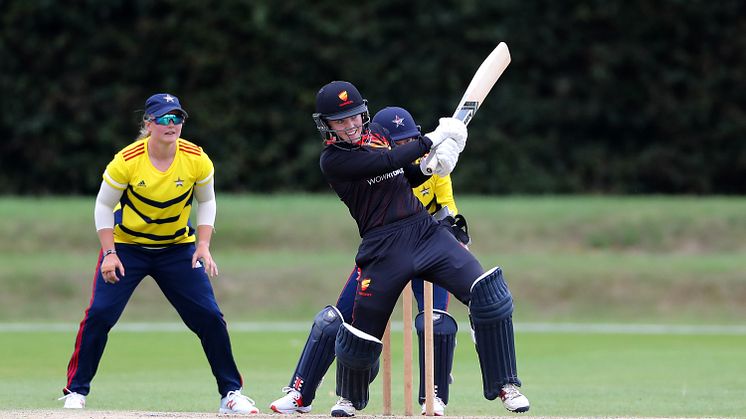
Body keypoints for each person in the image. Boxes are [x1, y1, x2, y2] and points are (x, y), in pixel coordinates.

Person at [301, 80, 529, 417]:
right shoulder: (333, 161)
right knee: (362, 333)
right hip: (382, 247)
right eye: (340, 120)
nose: (349, 125)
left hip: (425, 231)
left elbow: (403, 174)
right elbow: (384, 164)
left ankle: (505, 385)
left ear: (363, 113)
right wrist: (433, 139)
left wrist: (430, 166)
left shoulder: (376, 138)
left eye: (354, 116)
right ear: (327, 125)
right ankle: (349, 397)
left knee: (489, 294)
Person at [58, 93, 259, 414]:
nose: (172, 125)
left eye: (177, 118)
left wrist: (203, 245)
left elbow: (206, 201)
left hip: (178, 249)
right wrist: (109, 252)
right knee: (99, 315)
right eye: (164, 119)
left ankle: (231, 393)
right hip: (126, 249)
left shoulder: (196, 158)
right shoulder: (126, 160)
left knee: (209, 317)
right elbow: (103, 205)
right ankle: (75, 391)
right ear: (148, 124)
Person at [269, 106, 468, 416]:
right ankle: (303, 393)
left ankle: (434, 396)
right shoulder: (374, 162)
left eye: (410, 140)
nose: (406, 148)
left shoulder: (428, 164)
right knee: (335, 320)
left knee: (436, 322)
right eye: (399, 143)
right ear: (385, 142)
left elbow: (447, 211)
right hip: (386, 253)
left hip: (429, 247)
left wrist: (439, 173)